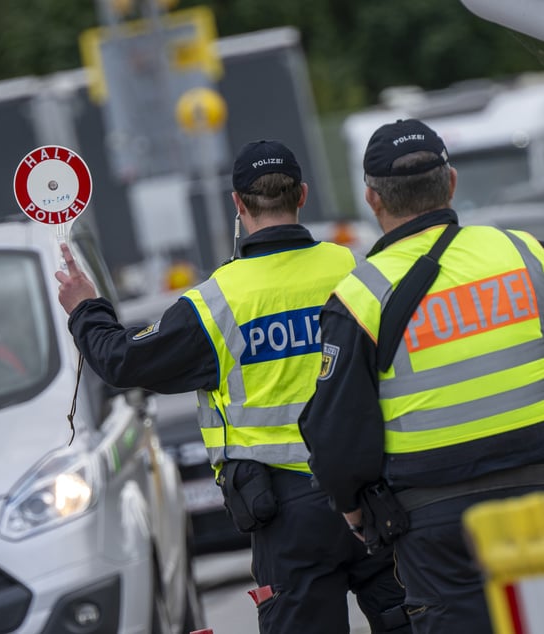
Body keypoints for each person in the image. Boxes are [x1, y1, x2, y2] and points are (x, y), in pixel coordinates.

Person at [55, 140, 410, 634]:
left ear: (238, 205)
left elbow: (122, 361)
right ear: (302, 194)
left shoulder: (217, 301)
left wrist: (85, 308)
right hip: (374, 493)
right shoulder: (354, 270)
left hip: (286, 515)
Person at [298, 119, 544, 633]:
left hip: (439, 519)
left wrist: (353, 508)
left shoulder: (361, 296)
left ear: (372, 198)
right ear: (451, 182)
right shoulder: (526, 254)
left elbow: (337, 431)